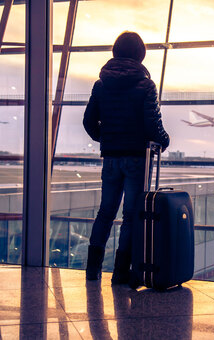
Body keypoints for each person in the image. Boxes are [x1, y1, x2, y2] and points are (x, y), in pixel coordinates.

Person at [83, 31, 170, 284]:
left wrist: (106, 138)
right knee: (131, 215)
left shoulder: (101, 85)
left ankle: (92, 270)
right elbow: (152, 124)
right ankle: (120, 272)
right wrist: (164, 139)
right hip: (136, 157)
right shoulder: (145, 85)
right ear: (140, 54)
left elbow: (89, 121)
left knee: (105, 212)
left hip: (110, 157)